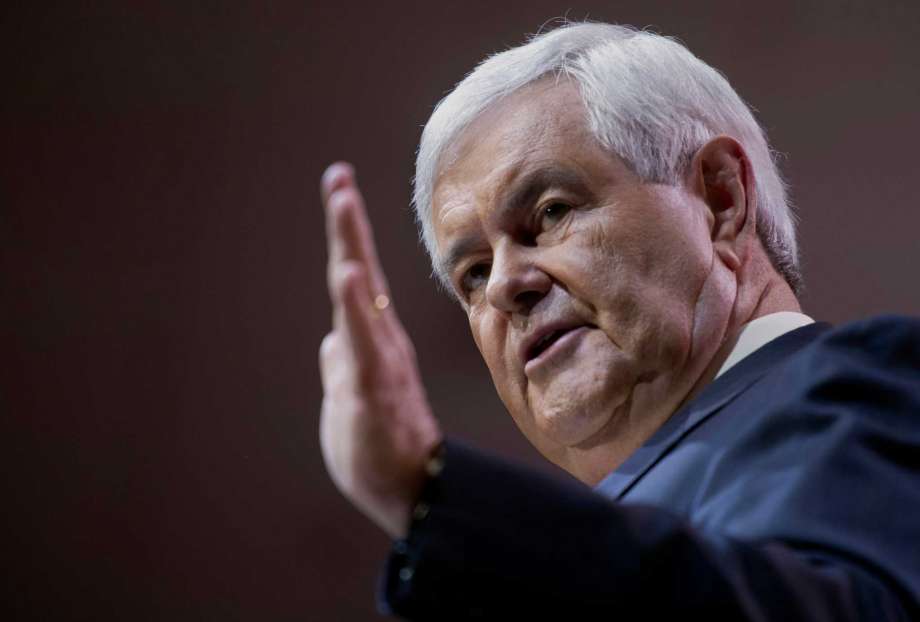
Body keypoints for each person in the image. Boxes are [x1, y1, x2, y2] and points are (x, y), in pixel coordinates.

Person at [318, 22, 920, 619]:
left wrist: (434, 496)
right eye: (473, 273)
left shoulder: (874, 390)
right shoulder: (563, 560)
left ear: (721, 198)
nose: (503, 285)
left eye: (551, 212)